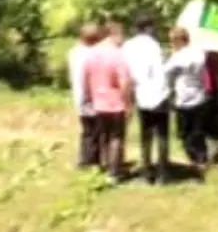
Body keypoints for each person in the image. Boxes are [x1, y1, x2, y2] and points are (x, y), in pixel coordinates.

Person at [122, 15, 170, 184]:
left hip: (141, 93)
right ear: (149, 27)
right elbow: (160, 70)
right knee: (162, 135)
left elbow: (126, 71)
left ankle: (147, 172)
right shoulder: (153, 45)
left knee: (146, 134)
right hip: (159, 93)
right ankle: (163, 174)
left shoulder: (128, 46)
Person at [83, 21, 132, 181]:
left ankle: (105, 166)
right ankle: (115, 172)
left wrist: (89, 96)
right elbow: (123, 81)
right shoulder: (117, 55)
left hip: (99, 101)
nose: (122, 40)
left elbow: (86, 78)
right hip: (115, 102)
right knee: (116, 137)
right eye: (121, 35)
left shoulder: (91, 54)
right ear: (114, 35)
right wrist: (128, 102)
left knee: (104, 135)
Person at [164, 27, 210, 176]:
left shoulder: (178, 57)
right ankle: (202, 158)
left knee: (184, 133)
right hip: (199, 95)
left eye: (172, 41)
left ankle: (193, 160)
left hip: (183, 98)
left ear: (178, 40)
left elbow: (166, 74)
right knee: (198, 131)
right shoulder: (198, 53)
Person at [68, 23, 104, 169]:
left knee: (87, 130)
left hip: (78, 94)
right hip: (92, 95)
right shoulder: (93, 54)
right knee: (95, 130)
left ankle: (85, 159)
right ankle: (91, 160)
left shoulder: (74, 52)